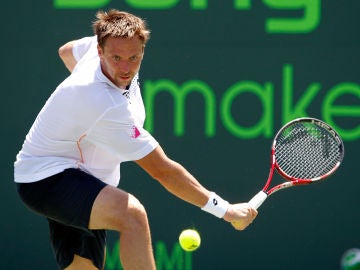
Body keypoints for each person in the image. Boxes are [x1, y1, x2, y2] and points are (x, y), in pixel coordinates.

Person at [14, 9, 257, 270]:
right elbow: (163, 171)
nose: (126, 68)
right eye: (116, 58)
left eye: (134, 57)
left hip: (82, 178)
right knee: (132, 216)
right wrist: (226, 210)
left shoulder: (98, 56)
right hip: (48, 180)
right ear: (100, 51)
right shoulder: (104, 104)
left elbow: (66, 50)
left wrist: (77, 117)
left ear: (142, 50)